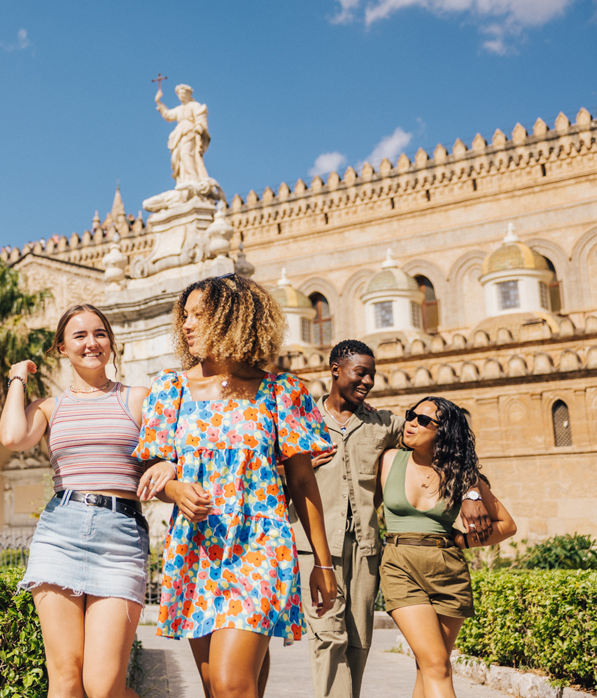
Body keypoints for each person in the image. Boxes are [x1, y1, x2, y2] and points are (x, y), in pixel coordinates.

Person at [135, 273, 337, 698]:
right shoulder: (170, 389)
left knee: (231, 684)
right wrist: (175, 490)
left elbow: (302, 479)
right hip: (196, 546)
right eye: (184, 316)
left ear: (234, 317)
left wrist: (323, 563)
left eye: (200, 315)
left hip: (259, 543)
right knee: (214, 687)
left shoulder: (281, 391)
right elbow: (152, 466)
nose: (187, 325)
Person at [293, 341, 492, 698]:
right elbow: (263, 470)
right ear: (335, 370)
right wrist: (285, 468)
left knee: (357, 641)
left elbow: (448, 443)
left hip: (367, 550)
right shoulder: (301, 419)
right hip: (317, 547)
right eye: (361, 373)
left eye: (372, 374)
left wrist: (471, 493)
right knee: (328, 637)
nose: (368, 381)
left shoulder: (383, 423)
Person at [0, 303, 174, 698]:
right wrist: (16, 379)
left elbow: (175, 449)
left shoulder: (139, 399)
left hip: (120, 535)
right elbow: (12, 437)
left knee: (103, 685)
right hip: (60, 531)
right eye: (79, 335)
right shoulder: (50, 407)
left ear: (110, 342)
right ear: (62, 347)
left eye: (99, 333)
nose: (91, 343)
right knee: (64, 680)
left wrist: (170, 466)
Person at [379, 396, 516, 698]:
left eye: (423, 420)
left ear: (443, 432)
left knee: (427, 667)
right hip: (400, 565)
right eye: (411, 415)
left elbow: (507, 525)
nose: (412, 422)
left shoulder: (463, 477)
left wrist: (463, 538)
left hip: (448, 570)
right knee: (438, 665)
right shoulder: (389, 459)